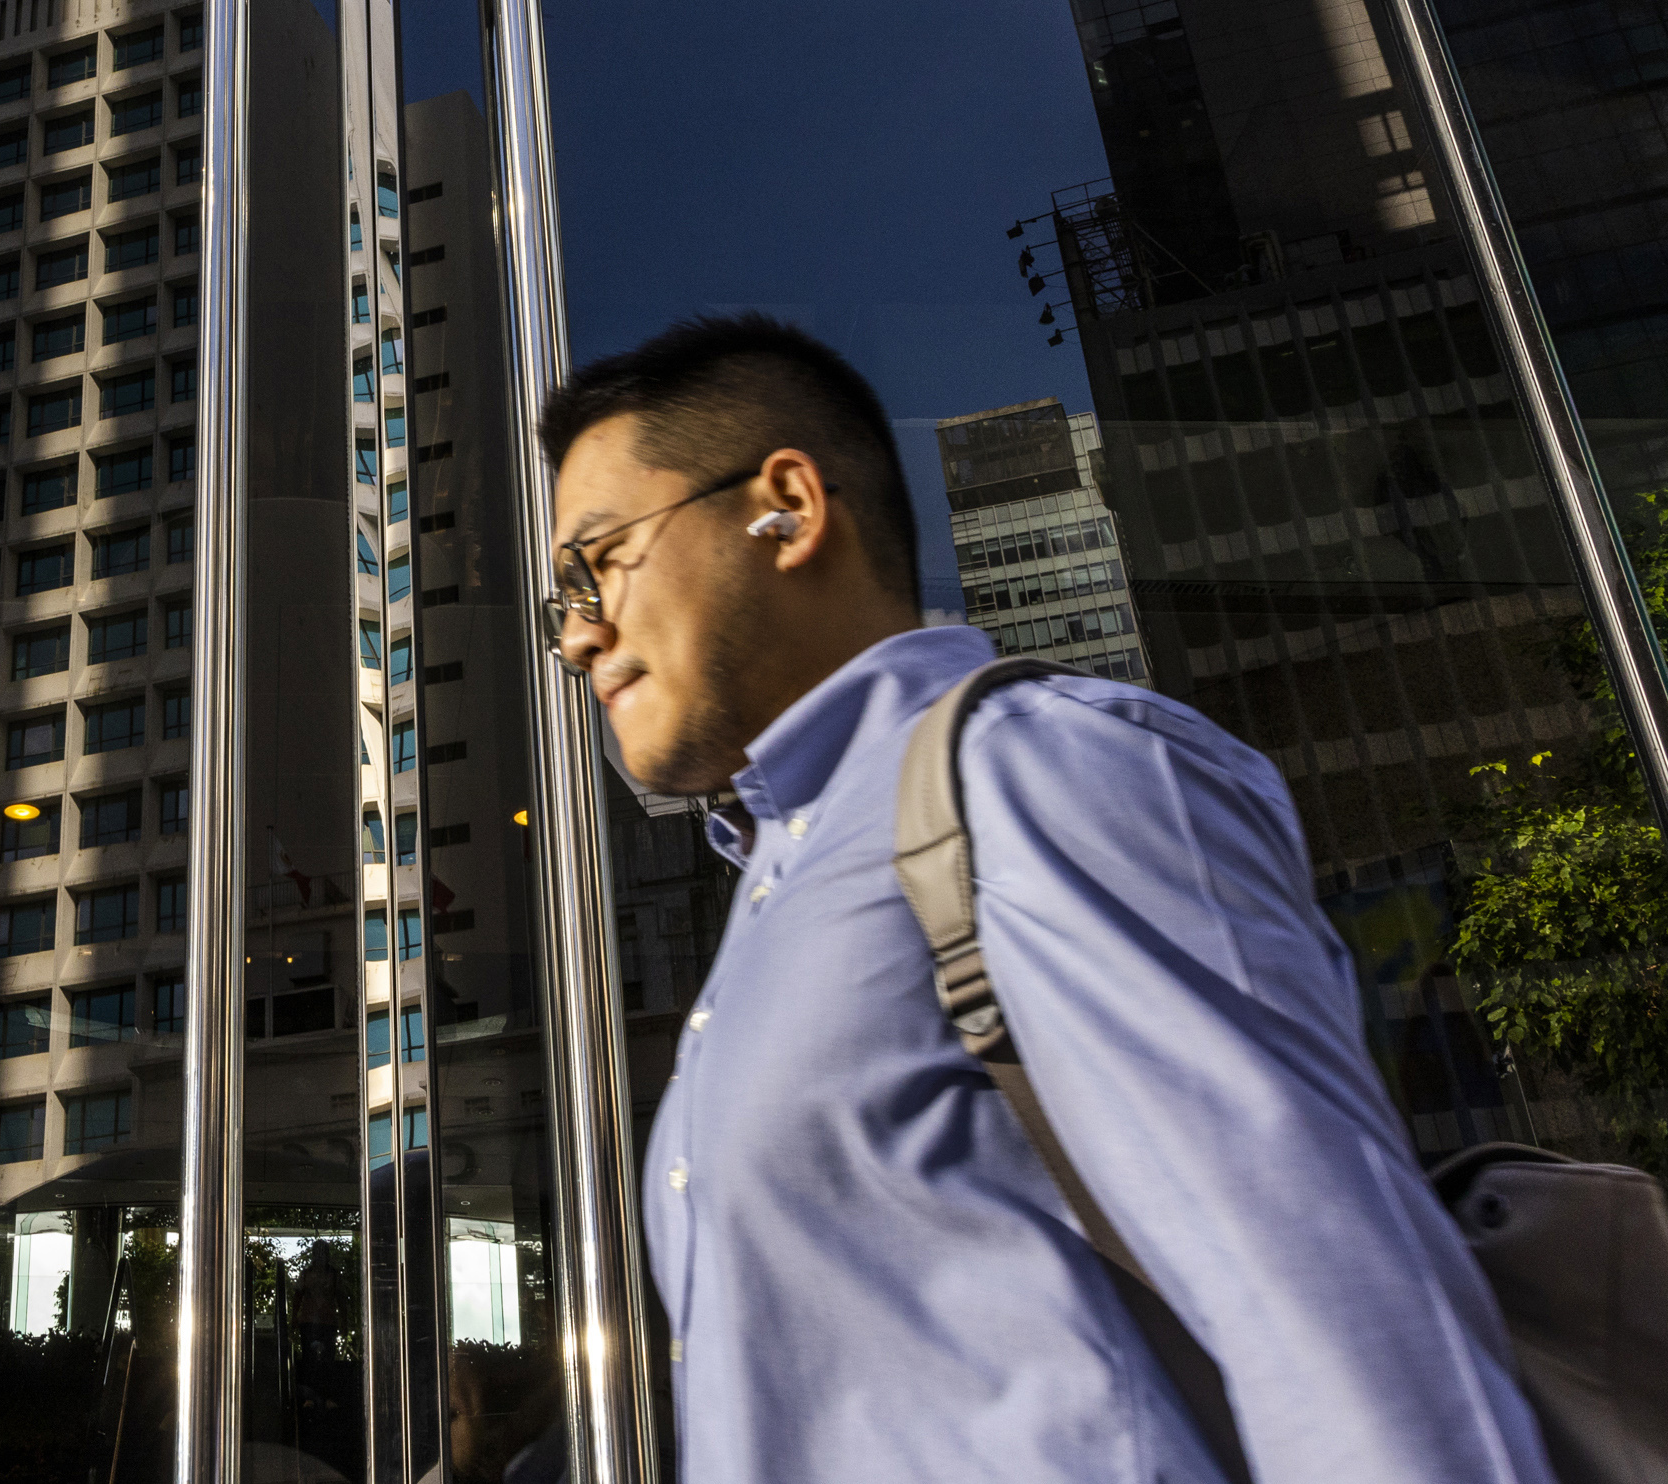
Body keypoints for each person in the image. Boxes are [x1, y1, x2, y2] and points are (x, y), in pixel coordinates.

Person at [538, 312, 1555, 1483]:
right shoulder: (780, 883)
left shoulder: (1027, 771)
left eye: (598, 558)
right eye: (562, 596)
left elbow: (1331, 1305)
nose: (578, 635)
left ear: (788, 509)